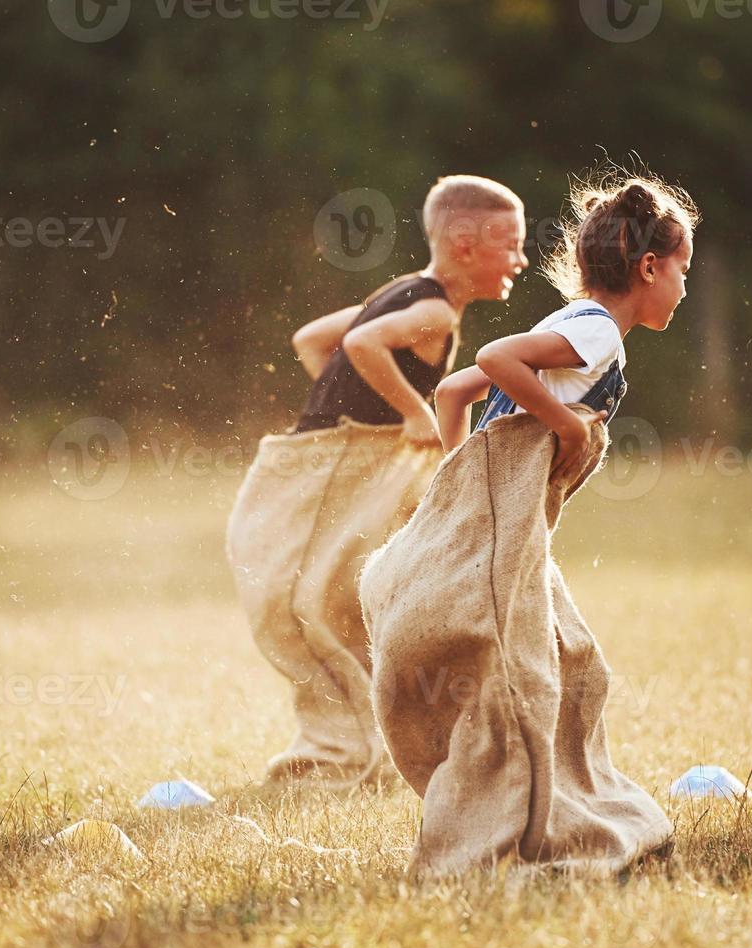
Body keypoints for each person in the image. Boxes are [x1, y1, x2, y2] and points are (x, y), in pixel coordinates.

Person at [360, 170, 699, 875]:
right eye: (682, 270)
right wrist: (562, 428)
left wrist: (462, 490)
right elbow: (491, 360)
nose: (685, 287)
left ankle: (562, 804)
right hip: (497, 545)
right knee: (537, 681)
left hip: (498, 540)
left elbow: (455, 393)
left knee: (571, 667)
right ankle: (511, 834)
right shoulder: (599, 330)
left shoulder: (570, 324)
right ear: (648, 267)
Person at [226, 175, 527, 790]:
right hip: (322, 466)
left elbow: (316, 343)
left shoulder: (399, 292)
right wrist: (406, 414)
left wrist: (364, 409)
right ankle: (357, 751)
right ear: (465, 245)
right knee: (308, 604)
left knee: (327, 601)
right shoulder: (436, 308)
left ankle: (354, 749)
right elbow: (362, 344)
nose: (521, 259)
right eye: (511, 244)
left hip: (319, 456)